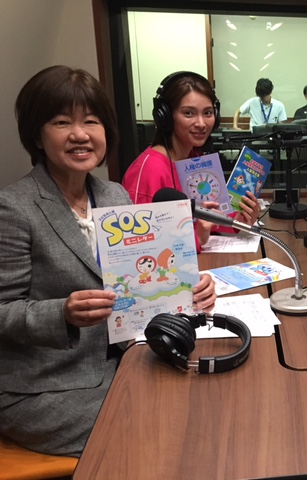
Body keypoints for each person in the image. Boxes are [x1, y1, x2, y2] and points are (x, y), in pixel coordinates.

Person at [0, 66, 217, 457]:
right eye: (61, 122)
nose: (80, 134)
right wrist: (61, 313)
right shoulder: (14, 207)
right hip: (46, 385)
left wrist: (189, 288)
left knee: (203, 405)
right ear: (36, 135)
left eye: (91, 121)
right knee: (162, 434)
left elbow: (144, 276)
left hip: (123, 359)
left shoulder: (114, 196)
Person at [122, 71, 260, 250]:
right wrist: (198, 238)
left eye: (208, 113)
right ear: (166, 117)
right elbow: (135, 246)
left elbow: (208, 221)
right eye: (188, 113)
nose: (201, 123)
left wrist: (239, 220)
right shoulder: (149, 169)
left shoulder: (195, 160)